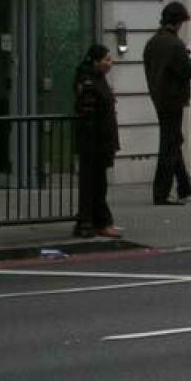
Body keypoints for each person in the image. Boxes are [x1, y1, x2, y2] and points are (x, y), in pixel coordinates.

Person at [143, 1, 191, 206]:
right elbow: (189, 71)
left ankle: (183, 185)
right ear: (178, 22)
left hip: (159, 97)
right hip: (173, 98)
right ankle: (161, 193)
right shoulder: (174, 44)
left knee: (174, 140)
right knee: (169, 146)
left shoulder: (153, 42)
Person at [73, 44, 121, 239]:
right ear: (95, 61)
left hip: (101, 139)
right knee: (94, 183)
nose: (110, 63)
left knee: (97, 183)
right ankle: (93, 222)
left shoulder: (97, 79)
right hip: (94, 140)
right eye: (106, 60)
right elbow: (88, 111)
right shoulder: (88, 82)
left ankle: (93, 221)